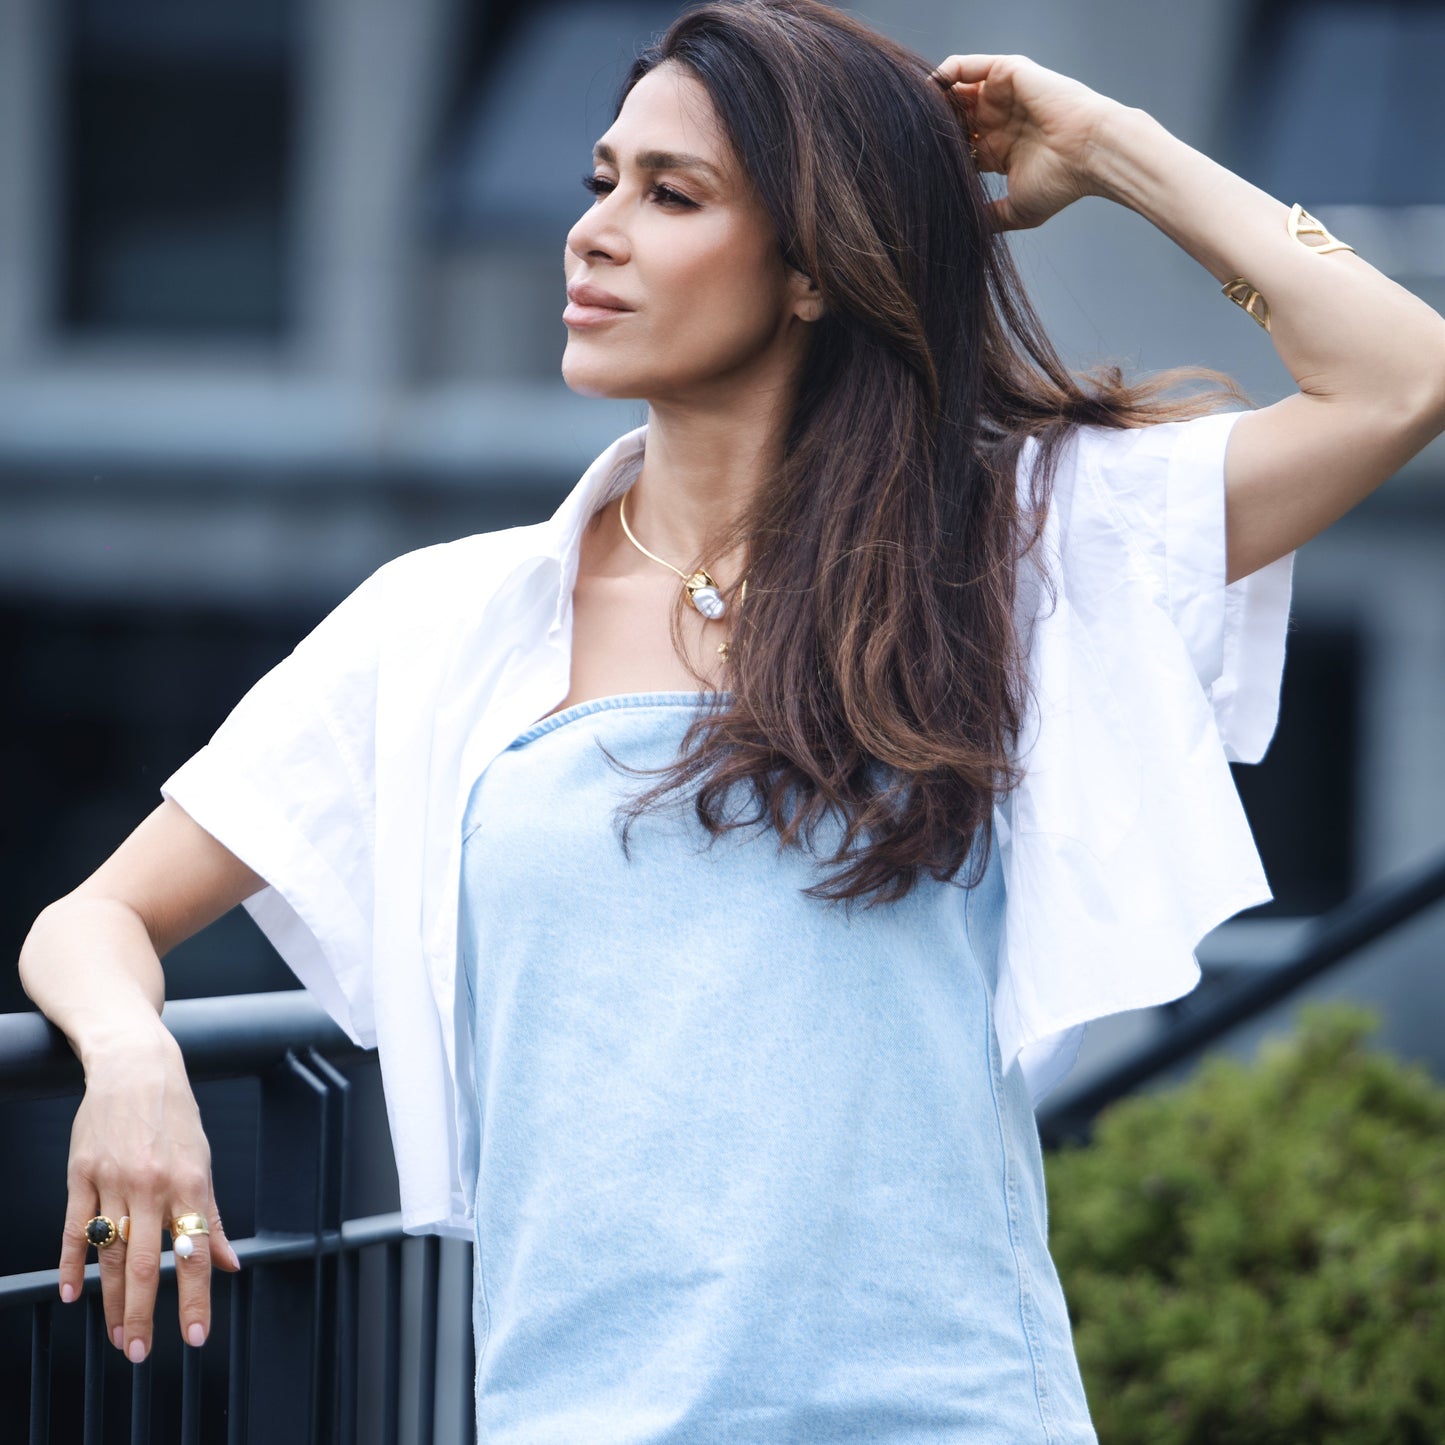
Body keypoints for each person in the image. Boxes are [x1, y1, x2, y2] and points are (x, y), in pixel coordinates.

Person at [19, 1, 1445, 1439]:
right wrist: (137, 1063)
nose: (592, 231)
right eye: (600, 181)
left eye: (670, 194)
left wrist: (1112, 147)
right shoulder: (442, 621)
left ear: (814, 267)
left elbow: (1401, 375)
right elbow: (93, 919)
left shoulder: (1017, 547)